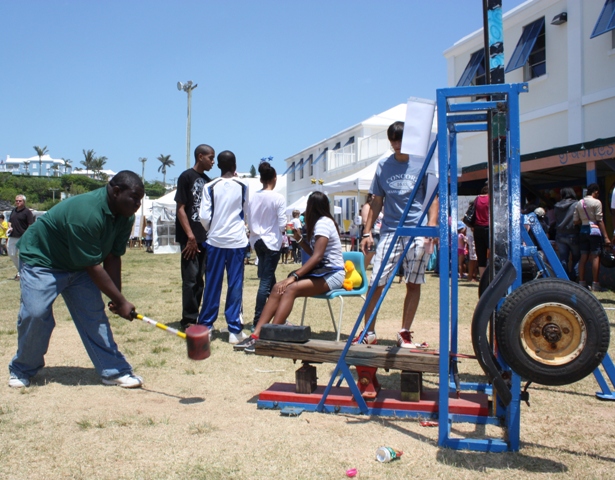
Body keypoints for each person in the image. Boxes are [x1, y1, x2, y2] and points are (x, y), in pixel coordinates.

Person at [8, 171, 145, 389]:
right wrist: (121, 301)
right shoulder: (86, 213)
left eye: (140, 199)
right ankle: (22, 369)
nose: (138, 204)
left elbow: (112, 256)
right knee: (35, 314)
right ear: (116, 192)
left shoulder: (125, 216)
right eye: (135, 198)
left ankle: (114, 371)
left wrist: (117, 299)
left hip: (78, 265)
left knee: (94, 317)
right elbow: (93, 265)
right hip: (42, 261)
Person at [357, 121, 438, 348]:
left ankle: (404, 332)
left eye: (400, 139)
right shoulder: (384, 166)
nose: (396, 144)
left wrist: (431, 225)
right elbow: (377, 201)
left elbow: (432, 198)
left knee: (413, 282)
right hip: (390, 230)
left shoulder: (422, 164)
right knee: (377, 281)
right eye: (393, 140)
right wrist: (367, 232)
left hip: (417, 230)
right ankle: (369, 331)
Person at [238, 191, 345, 353]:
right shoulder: (320, 223)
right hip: (322, 271)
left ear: (312, 207)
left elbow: (317, 257)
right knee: (277, 287)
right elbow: (314, 253)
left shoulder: (324, 223)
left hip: (333, 274)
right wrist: (299, 239)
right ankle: (256, 334)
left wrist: (294, 276)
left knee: (290, 289)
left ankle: (270, 337)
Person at [198, 150, 249, 344]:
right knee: (235, 285)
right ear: (235, 166)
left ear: (218, 166)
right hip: (237, 241)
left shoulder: (210, 186)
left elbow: (203, 216)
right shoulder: (243, 185)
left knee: (212, 284)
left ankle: (206, 327)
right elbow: (247, 211)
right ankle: (234, 330)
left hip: (215, 241)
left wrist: (213, 229)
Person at [175, 144, 215, 330]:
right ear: (200, 156)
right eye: (210, 158)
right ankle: (188, 319)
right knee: (190, 280)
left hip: (204, 238)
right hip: (189, 239)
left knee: (200, 280)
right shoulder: (186, 177)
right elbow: (180, 209)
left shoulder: (208, 181)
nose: (213, 162)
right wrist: (190, 236)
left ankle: (197, 316)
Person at [247, 161, 287, 332]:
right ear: (274, 178)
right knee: (265, 281)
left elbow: (249, 219)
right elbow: (283, 224)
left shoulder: (253, 197)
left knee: (270, 279)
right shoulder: (278, 198)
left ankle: (278, 313)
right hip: (271, 242)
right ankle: (258, 320)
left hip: (257, 240)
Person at [573, 183, 611, 291]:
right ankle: (595, 284)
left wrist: (584, 219)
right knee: (595, 256)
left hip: (583, 231)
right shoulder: (596, 202)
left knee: (583, 256)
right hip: (594, 231)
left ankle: (582, 282)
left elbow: (575, 221)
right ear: (595, 191)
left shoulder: (579, 203)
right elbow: (599, 220)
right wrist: (606, 237)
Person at [554, 187, 580, 281]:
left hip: (560, 234)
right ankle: (573, 278)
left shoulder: (556, 206)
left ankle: (564, 279)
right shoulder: (576, 204)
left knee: (563, 258)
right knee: (576, 258)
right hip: (573, 233)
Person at [7, 194, 35, 280]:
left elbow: (30, 225)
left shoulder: (27, 212)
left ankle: (20, 273)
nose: (18, 202)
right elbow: (10, 221)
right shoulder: (13, 210)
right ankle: (21, 270)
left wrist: (27, 235)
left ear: (24, 202)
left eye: (20, 201)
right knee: (11, 254)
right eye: (16, 201)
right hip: (12, 236)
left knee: (21, 256)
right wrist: (9, 227)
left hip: (22, 237)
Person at [473, 186, 490, 279]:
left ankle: (482, 279)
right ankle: (492, 276)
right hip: (488, 227)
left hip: (477, 228)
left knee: (481, 255)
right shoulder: (491, 198)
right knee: (493, 252)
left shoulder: (477, 199)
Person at [360, 194, 376, 268]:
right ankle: (361, 272)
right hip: (371, 234)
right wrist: (369, 235)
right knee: (367, 256)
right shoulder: (367, 206)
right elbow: (365, 222)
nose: (375, 196)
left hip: (379, 233)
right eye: (373, 194)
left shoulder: (381, 206)